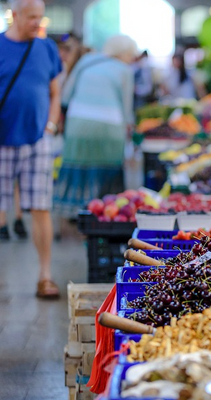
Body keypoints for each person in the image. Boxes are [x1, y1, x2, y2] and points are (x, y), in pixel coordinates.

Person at [0, 0, 62, 297]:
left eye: (40, 16)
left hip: (38, 139)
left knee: (41, 207)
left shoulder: (46, 48)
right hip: (2, 142)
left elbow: (54, 90)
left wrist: (50, 126)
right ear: (14, 15)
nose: (38, 22)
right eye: (31, 17)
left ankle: (45, 276)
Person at [53, 35, 137, 221]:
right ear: (123, 53)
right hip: (110, 127)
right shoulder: (125, 71)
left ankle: (76, 212)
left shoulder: (87, 61)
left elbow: (66, 96)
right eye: (131, 54)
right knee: (109, 173)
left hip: (78, 125)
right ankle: (106, 214)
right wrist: (130, 132)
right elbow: (126, 108)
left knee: (79, 166)